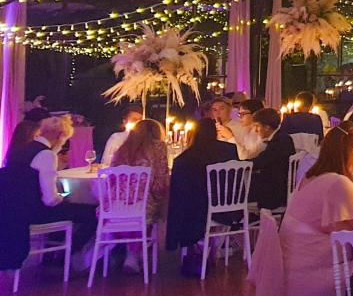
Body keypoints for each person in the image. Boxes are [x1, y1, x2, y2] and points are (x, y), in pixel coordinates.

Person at [279, 122, 353, 296]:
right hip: (314, 277)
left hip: (292, 271)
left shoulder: (312, 176)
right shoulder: (339, 184)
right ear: (348, 150)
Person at [11, 115, 98, 255]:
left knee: (65, 209)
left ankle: (51, 256)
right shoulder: (46, 155)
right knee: (94, 213)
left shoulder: (22, 150)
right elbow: (50, 199)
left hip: (16, 211)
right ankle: (66, 256)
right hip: (36, 213)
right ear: (60, 135)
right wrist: (62, 198)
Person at [166, 119, 237, 276]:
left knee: (185, 201)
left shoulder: (186, 158)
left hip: (199, 210)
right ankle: (209, 249)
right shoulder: (230, 150)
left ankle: (193, 248)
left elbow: (180, 192)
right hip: (230, 206)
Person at [108, 118, 170, 272]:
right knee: (153, 205)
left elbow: (111, 178)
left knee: (138, 208)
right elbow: (160, 181)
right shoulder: (159, 147)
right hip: (142, 205)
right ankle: (134, 253)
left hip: (115, 206)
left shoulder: (123, 148)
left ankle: (129, 251)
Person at [247, 108, 296, 212]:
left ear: (267, 127)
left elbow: (260, 162)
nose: (255, 130)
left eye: (257, 126)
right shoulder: (283, 137)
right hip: (280, 186)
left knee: (235, 189)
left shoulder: (279, 142)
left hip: (274, 193)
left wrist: (238, 164)